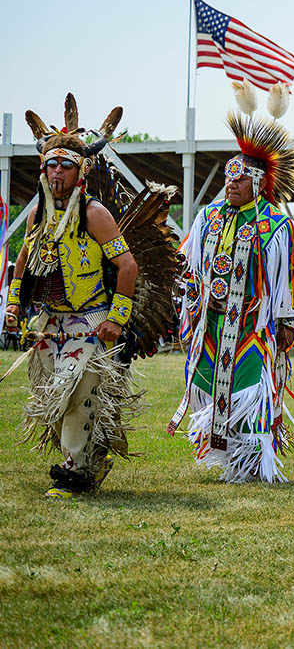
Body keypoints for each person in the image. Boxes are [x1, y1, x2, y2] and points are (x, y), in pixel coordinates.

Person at [8, 94, 180, 499]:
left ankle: (74, 474)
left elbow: (129, 267)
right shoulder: (38, 214)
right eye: (51, 164)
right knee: (55, 396)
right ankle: (89, 455)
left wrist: (116, 319)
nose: (56, 172)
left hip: (90, 320)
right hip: (52, 321)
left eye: (66, 165)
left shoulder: (94, 214)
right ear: (42, 168)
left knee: (75, 394)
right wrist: (15, 302)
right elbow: (23, 261)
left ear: (81, 170)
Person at [168, 82, 294, 483]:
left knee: (249, 389)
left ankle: (250, 463)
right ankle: (220, 452)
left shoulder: (275, 223)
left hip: (253, 325)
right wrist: (192, 307)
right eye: (227, 177)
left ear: (256, 181)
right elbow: (189, 267)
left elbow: (287, 278)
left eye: (238, 178)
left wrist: (287, 321)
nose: (229, 183)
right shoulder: (209, 219)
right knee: (208, 382)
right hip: (213, 323)